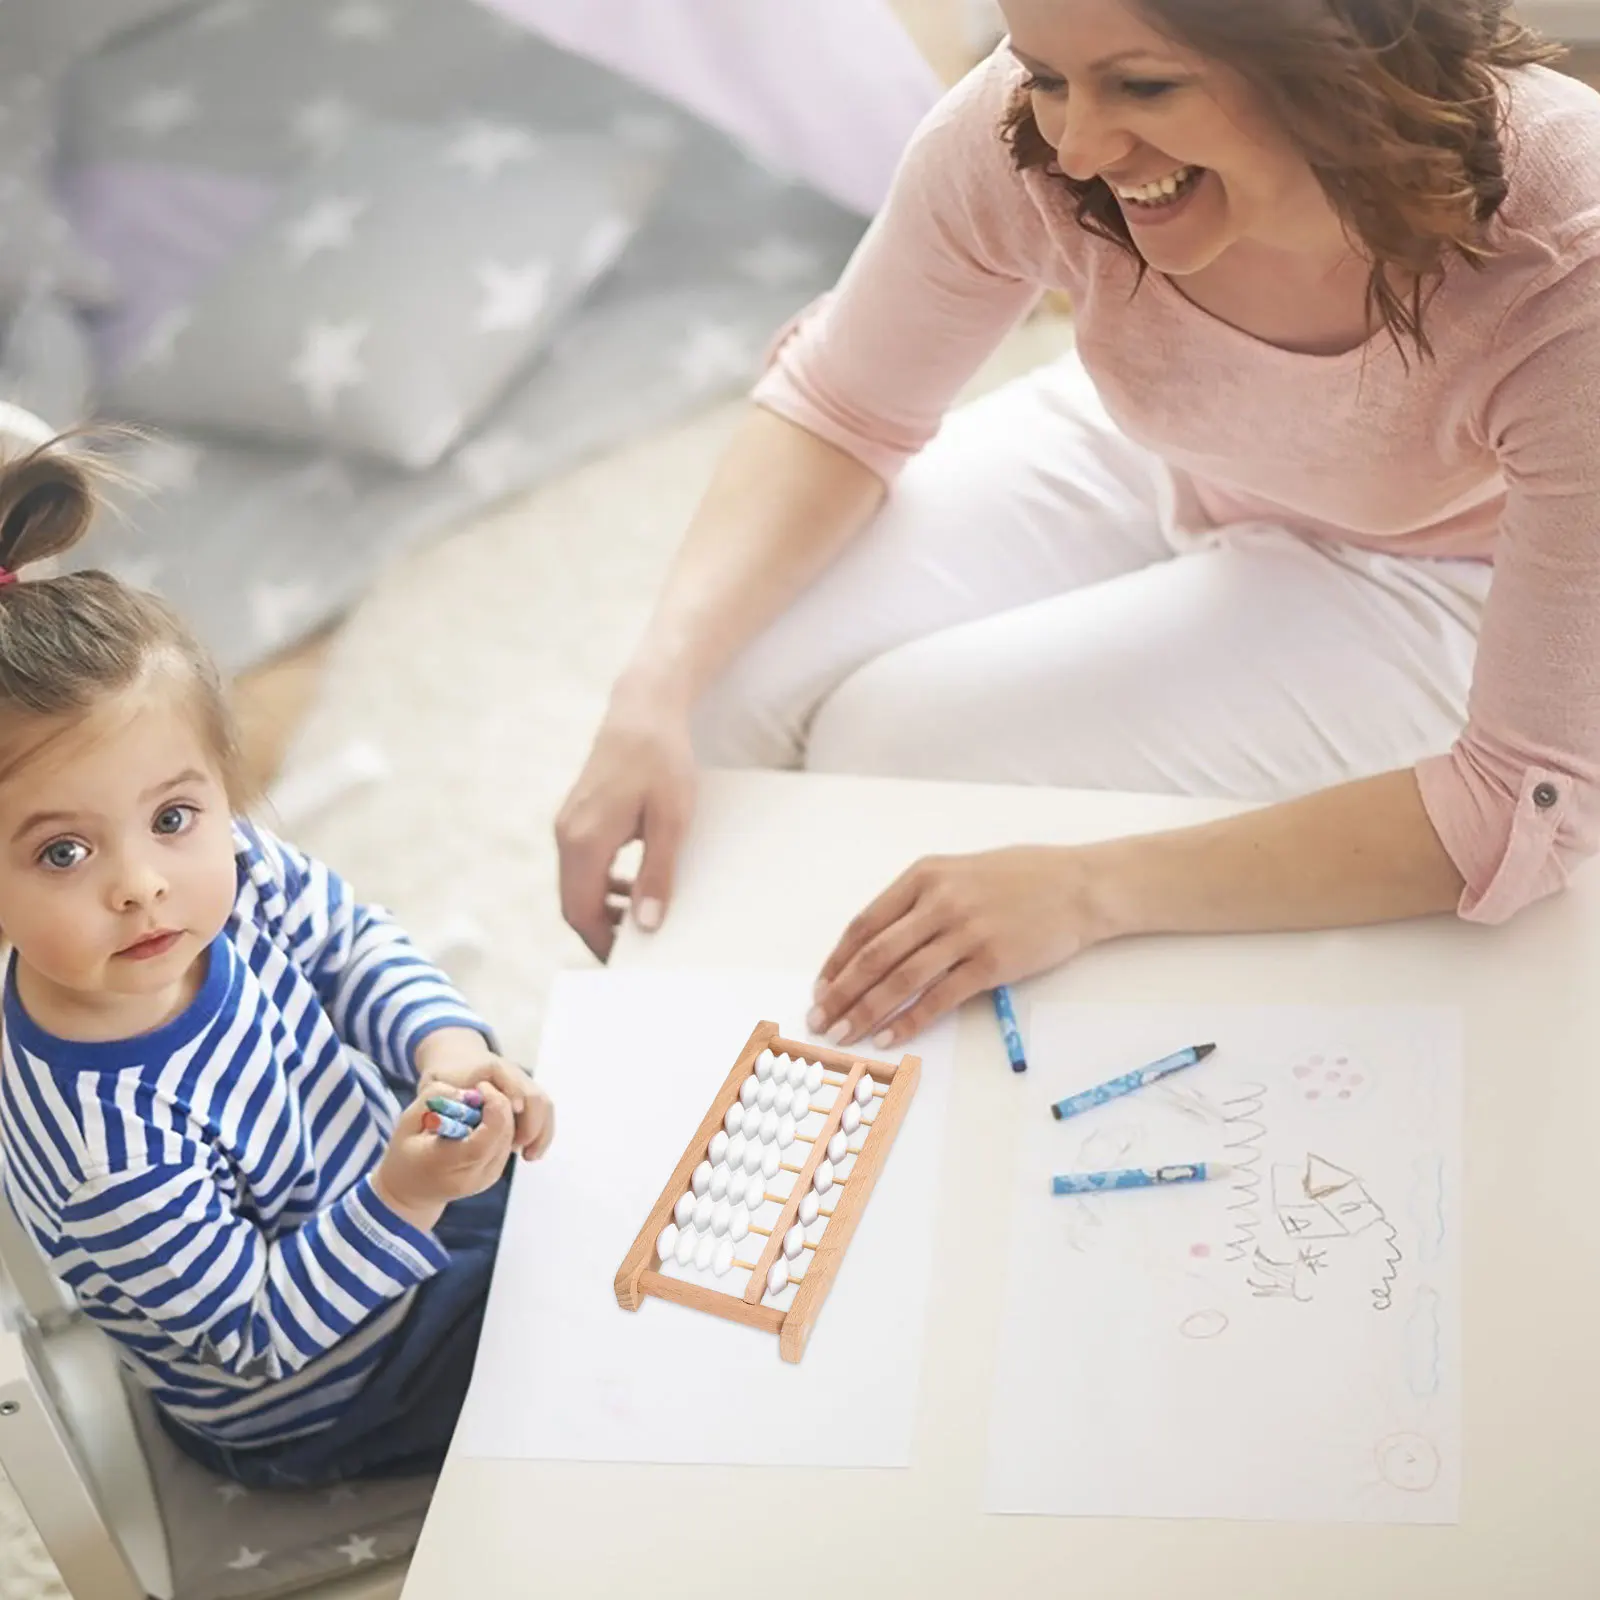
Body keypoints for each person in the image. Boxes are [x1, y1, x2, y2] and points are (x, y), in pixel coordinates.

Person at [556, 0, 1600, 1052]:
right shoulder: (1027, 130)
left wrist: (1090, 886)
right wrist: (651, 687)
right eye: (1048, 76)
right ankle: (671, 1064)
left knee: (895, 750)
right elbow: (842, 401)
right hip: (1173, 438)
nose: (1077, 145)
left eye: (1143, 86)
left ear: (1341, 54)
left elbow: (1525, 797)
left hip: (1446, 573)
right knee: (723, 691)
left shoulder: (1569, 254)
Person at [0, 427, 554, 1489]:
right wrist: (404, 1195)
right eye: (64, 850)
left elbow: (350, 941)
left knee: (605, 1185)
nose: (141, 882)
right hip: (334, 1380)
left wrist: (443, 1050)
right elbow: (255, 1332)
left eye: (173, 815)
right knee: (594, 1361)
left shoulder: (233, 870)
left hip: (378, 1197)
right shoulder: (105, 1152)